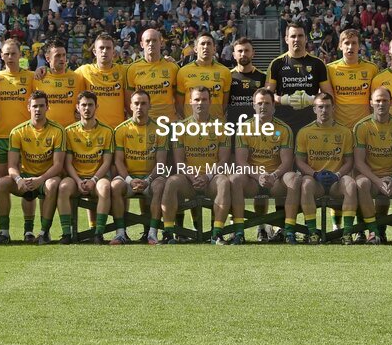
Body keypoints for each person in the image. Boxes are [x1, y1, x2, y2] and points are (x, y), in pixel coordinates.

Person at [161, 86, 232, 245]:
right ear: (190, 102)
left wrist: (206, 177)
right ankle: (168, 233)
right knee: (171, 182)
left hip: (211, 178)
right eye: (197, 100)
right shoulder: (181, 127)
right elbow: (179, 162)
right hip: (189, 179)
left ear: (210, 102)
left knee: (224, 182)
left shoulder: (222, 127)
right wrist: (193, 177)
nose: (200, 103)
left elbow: (223, 161)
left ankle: (217, 233)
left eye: (204, 99)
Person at [0, 91, 67, 244]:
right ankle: (4, 233)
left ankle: (44, 232)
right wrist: (17, 179)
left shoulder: (58, 130)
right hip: (25, 178)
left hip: (46, 177)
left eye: (42, 106)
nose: (38, 109)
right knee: (1, 184)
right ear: (28, 107)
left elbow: (58, 165)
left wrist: (40, 179)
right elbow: (12, 165)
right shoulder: (17, 131)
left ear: (48, 107)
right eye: (35, 106)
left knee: (53, 184)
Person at [231, 88, 294, 245]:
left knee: (293, 179)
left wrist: (273, 176)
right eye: (259, 103)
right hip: (252, 179)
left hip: (275, 180)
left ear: (274, 106)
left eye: (267, 103)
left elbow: (287, 162)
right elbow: (241, 161)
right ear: (253, 105)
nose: (263, 107)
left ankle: (289, 230)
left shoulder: (284, 129)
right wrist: (258, 176)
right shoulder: (244, 127)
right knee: (234, 179)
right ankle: (238, 231)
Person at [353, 87, 392, 244]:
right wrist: (377, 181)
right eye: (378, 100)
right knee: (361, 182)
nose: (381, 103)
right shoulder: (361, 127)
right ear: (371, 103)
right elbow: (359, 162)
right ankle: (373, 232)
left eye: (385, 100)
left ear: (391, 103)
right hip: (371, 178)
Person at [294, 92, 354, 244]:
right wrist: (314, 174)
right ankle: (312, 232)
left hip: (336, 181)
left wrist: (338, 175)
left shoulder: (345, 132)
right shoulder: (304, 132)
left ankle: (346, 233)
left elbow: (349, 161)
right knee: (306, 183)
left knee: (351, 184)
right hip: (316, 181)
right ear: (314, 109)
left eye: (327, 107)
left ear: (333, 108)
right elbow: (299, 161)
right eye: (320, 107)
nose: (324, 111)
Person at [0, 38, 34, 241]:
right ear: (1, 55)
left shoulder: (31, 77)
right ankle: (4, 230)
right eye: (6, 53)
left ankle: (29, 230)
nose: (9, 57)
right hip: (0, 137)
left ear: (20, 55)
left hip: (26, 138)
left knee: (29, 185)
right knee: (1, 184)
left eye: (13, 53)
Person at [113, 89, 168, 245]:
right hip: (128, 178)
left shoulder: (160, 130)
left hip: (151, 177)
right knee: (115, 185)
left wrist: (148, 180)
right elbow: (118, 161)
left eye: (143, 103)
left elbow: (161, 163)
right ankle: (120, 233)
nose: (139, 107)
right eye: (136, 103)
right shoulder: (121, 129)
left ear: (149, 105)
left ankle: (152, 233)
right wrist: (130, 180)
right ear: (130, 106)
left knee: (160, 186)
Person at [64, 91, 115, 243]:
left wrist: (93, 179)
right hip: (76, 178)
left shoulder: (107, 131)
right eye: (83, 105)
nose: (87, 108)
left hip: (97, 177)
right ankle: (67, 234)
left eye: (90, 105)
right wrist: (78, 180)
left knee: (105, 188)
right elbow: (67, 162)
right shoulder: (68, 132)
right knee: (63, 187)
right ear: (77, 108)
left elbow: (107, 162)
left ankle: (98, 233)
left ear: (96, 107)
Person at [266, 24, 332, 130]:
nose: (296, 39)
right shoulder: (276, 63)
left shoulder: (318, 63)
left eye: (300, 36)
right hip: (283, 124)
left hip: (312, 123)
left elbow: (329, 95)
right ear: (286, 39)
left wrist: (312, 100)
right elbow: (267, 96)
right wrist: (284, 100)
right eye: (293, 36)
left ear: (306, 39)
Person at [327, 28, 379, 128]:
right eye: (347, 43)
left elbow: (375, 101)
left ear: (359, 46)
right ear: (340, 46)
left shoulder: (372, 68)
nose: (350, 47)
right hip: (338, 128)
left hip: (364, 127)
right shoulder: (330, 69)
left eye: (354, 43)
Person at [126, 28, 181, 121]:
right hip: (144, 123)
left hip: (168, 122)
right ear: (142, 44)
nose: (151, 44)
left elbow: (179, 98)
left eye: (154, 40)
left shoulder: (172, 67)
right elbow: (128, 101)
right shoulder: (132, 69)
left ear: (161, 43)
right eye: (147, 41)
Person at [76, 34, 128, 130]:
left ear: (113, 52)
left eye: (108, 48)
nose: (104, 51)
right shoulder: (84, 71)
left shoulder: (124, 71)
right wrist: (43, 69)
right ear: (94, 51)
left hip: (117, 129)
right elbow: (63, 75)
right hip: (93, 130)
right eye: (101, 48)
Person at [176, 33, 231, 120]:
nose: (205, 47)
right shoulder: (183, 71)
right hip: (191, 127)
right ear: (195, 49)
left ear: (214, 49)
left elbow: (225, 104)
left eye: (209, 44)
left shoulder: (225, 72)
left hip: (215, 126)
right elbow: (179, 105)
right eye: (202, 44)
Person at [34, 40, 87, 127]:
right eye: (57, 56)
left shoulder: (77, 78)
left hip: (70, 130)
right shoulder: (37, 78)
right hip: (45, 131)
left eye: (64, 55)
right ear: (47, 58)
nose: (62, 59)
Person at [226, 37, 266, 125]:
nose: (243, 54)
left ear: (253, 53)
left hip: (256, 125)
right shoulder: (227, 76)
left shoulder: (263, 77)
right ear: (234, 55)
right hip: (233, 124)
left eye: (247, 50)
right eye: (240, 51)